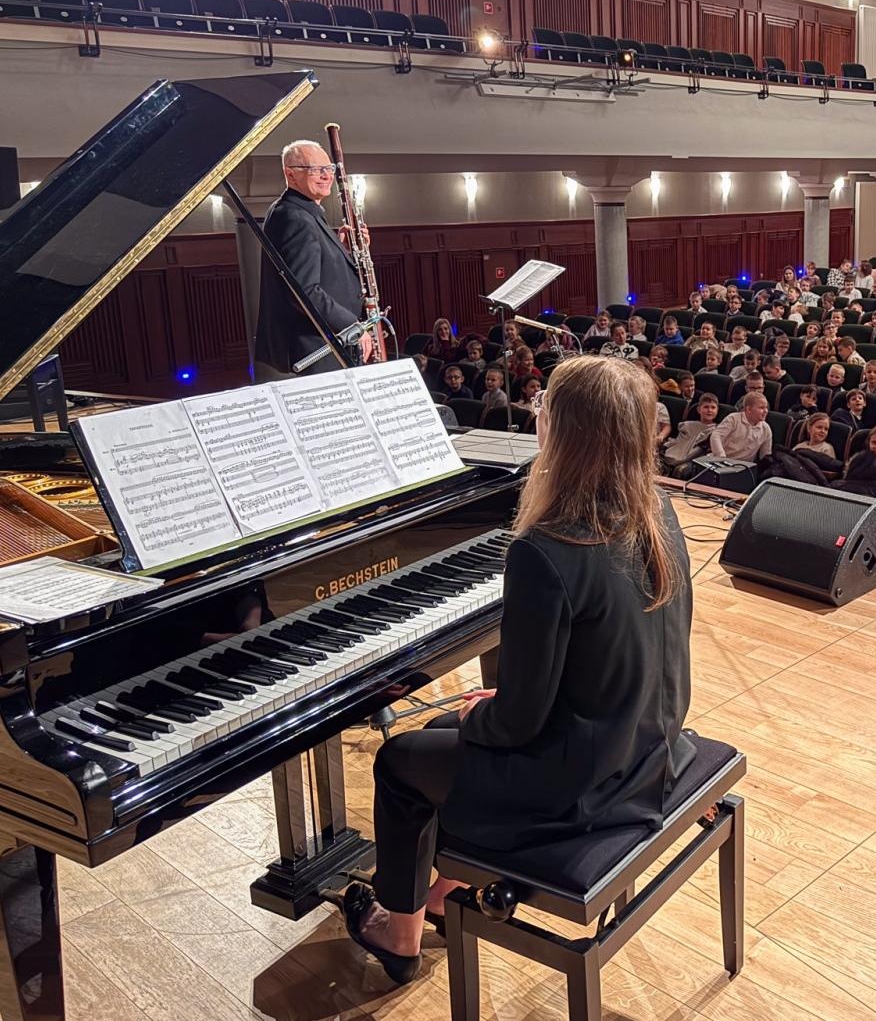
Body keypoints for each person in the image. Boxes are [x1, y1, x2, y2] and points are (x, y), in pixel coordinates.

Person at [337, 355, 694, 983]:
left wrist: (489, 714)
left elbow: (519, 722)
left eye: (545, 409)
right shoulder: (657, 511)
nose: (538, 417)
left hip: (587, 783)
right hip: (649, 744)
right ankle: (442, 888)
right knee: (449, 725)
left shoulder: (546, 547)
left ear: (562, 430)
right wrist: (495, 710)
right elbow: (612, 655)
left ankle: (399, 933)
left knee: (397, 762)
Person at [253, 138, 373, 378]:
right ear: (291, 173)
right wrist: (353, 326)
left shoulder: (300, 211)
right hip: (315, 349)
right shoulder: (295, 217)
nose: (326, 175)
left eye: (329, 168)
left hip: (321, 346)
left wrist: (340, 249)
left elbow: (314, 269)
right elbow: (304, 291)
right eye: (315, 169)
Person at [660, 394, 720, 477]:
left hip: (696, 458)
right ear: (699, 410)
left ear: (717, 410)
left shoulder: (717, 430)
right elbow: (678, 442)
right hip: (675, 454)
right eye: (706, 407)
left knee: (681, 470)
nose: (709, 410)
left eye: (713, 407)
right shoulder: (687, 425)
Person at [710, 391, 773, 461]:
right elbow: (716, 436)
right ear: (748, 409)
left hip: (743, 467)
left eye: (766, 408)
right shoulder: (733, 419)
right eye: (761, 408)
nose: (766, 411)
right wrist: (721, 458)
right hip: (721, 461)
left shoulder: (766, 429)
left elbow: (765, 455)